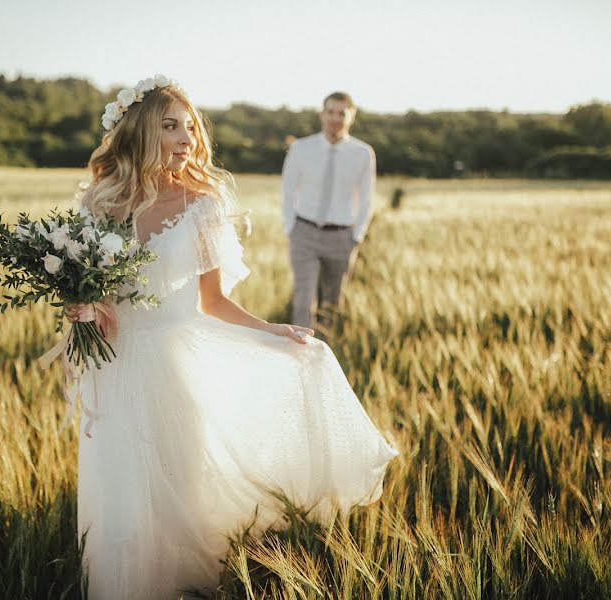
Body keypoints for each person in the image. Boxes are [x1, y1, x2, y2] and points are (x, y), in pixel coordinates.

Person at [66, 76, 397, 599]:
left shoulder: (202, 203)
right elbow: (84, 289)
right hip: (118, 363)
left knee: (181, 489)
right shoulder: (101, 202)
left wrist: (273, 330)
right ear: (140, 129)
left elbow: (213, 302)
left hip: (175, 366)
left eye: (191, 127)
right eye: (171, 125)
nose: (186, 138)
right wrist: (83, 307)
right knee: (124, 494)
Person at [281, 92, 377, 329]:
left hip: (341, 236)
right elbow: (288, 190)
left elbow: (366, 198)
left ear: (351, 117)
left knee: (332, 302)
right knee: (303, 301)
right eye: (330, 112)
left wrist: (357, 236)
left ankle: (326, 353)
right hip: (304, 232)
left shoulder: (363, 153)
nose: (335, 118)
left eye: (341, 113)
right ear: (322, 114)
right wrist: (290, 228)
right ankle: (300, 353)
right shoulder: (301, 149)